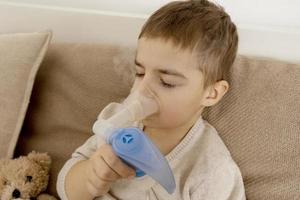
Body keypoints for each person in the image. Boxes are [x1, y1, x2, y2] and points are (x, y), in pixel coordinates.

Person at [57, 0, 246, 199]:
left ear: (211, 93)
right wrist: (89, 177)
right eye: (139, 73)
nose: (142, 89)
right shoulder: (117, 120)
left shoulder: (211, 171)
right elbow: (66, 188)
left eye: (167, 82)